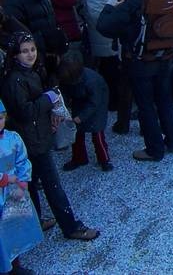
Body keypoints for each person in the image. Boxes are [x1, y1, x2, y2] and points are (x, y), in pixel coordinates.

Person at [1, 31, 100, 241]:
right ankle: (71, 227)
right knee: (52, 186)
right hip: (32, 140)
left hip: (35, 137)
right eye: (25, 51)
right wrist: (49, 98)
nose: (30, 54)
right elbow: (25, 112)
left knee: (32, 182)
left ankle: (37, 221)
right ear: (15, 54)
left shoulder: (30, 71)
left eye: (32, 49)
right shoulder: (15, 80)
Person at [97, 0, 173, 161]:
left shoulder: (131, 3)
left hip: (140, 60)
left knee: (146, 105)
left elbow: (104, 26)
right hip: (164, 55)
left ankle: (154, 150)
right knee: (164, 99)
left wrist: (110, 6)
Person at [0, 99, 43, 275]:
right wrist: (5, 178)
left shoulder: (13, 138)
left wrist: (23, 182)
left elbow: (23, 160)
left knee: (13, 230)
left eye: (0, 118)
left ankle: (15, 266)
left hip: (14, 191)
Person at [76, 0, 122, 113]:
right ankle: (113, 102)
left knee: (111, 70)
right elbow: (97, 17)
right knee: (110, 72)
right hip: (103, 39)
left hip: (107, 38)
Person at [56, 51, 112, 172]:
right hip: (80, 100)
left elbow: (94, 103)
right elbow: (64, 92)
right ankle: (79, 158)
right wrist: (63, 108)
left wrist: (80, 117)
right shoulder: (67, 77)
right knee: (76, 134)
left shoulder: (92, 81)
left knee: (97, 134)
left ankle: (104, 159)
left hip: (97, 105)